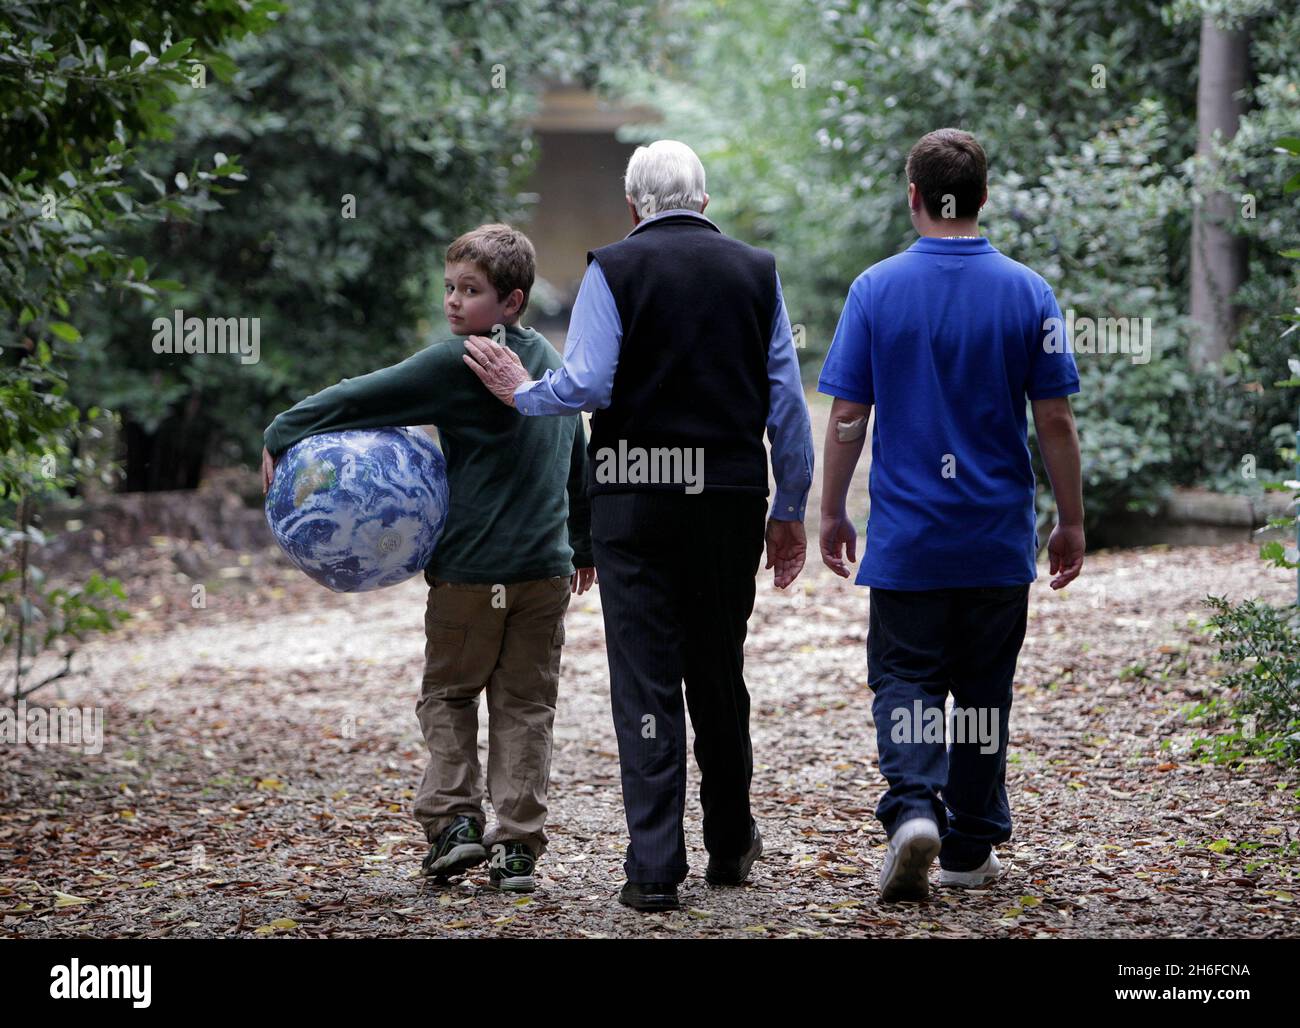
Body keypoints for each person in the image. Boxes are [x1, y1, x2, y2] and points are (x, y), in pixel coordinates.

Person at [463, 140, 815, 912]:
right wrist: (789, 508)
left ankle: (654, 868)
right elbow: (785, 399)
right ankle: (730, 843)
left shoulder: (611, 269)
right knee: (719, 669)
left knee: (647, 678)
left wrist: (526, 391)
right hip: (726, 494)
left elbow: (589, 382)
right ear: (706, 203)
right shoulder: (757, 273)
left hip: (632, 498)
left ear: (633, 207)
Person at [261, 224, 595, 894]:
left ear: (511, 300)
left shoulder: (458, 363)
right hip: (544, 575)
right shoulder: (551, 366)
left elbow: (363, 395)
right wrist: (584, 542)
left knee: (449, 694)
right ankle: (518, 849)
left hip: (472, 575)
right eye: (449, 287)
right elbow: (577, 455)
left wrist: (280, 432)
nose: (453, 302)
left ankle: (453, 827)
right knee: (526, 705)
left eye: (470, 291)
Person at [817, 128, 1085, 903]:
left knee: (906, 677)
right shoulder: (1028, 292)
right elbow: (1056, 422)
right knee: (983, 690)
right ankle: (968, 844)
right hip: (996, 539)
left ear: (913, 198)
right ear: (983, 198)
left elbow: (846, 415)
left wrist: (831, 510)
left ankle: (911, 807)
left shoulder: (876, 290)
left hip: (909, 542)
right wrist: (1069, 520)